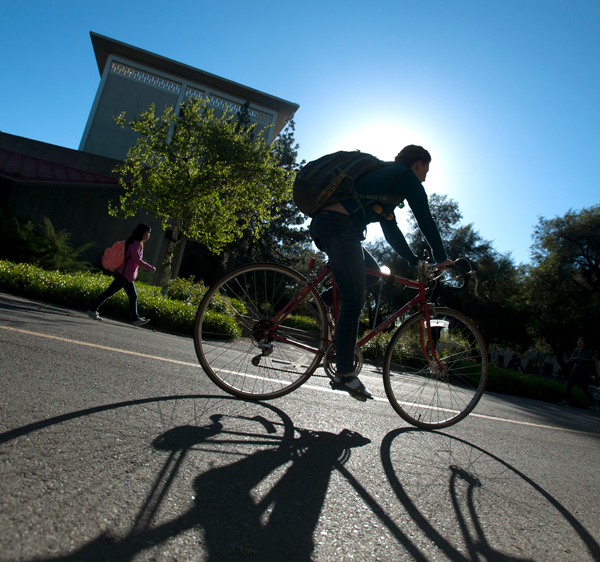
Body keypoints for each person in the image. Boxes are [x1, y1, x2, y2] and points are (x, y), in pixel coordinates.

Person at [309, 145, 453, 400]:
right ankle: (344, 373)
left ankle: (323, 300)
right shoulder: (405, 177)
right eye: (426, 170)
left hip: (337, 226)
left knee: (373, 274)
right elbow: (425, 219)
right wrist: (441, 258)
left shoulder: (388, 183)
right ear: (418, 164)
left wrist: (412, 261)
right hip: (338, 226)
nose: (426, 177)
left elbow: (391, 230)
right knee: (354, 301)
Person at [87, 223, 156, 327]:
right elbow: (136, 259)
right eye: (148, 233)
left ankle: (135, 319)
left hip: (126, 275)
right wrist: (150, 267)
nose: (149, 235)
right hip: (124, 275)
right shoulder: (136, 243)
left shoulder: (132, 242)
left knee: (133, 296)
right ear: (142, 232)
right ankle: (92, 309)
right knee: (109, 293)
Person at [558, 337, 597, 409]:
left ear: (584, 343)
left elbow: (582, 360)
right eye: (578, 341)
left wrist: (577, 359)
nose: (579, 343)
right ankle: (566, 401)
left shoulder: (587, 351)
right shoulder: (576, 351)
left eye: (581, 341)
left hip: (585, 371)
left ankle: (594, 405)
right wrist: (578, 359)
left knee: (584, 388)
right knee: (569, 384)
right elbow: (571, 359)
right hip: (576, 369)